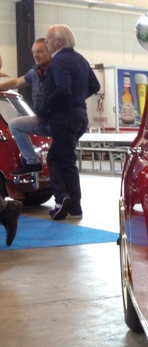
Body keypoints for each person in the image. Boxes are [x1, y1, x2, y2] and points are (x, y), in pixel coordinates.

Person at [19, 25, 99, 221]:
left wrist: (45, 108)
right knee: (60, 158)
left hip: (63, 118)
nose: (46, 41)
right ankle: (71, 203)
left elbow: (63, 89)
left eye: (48, 38)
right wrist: (78, 99)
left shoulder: (59, 61)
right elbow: (95, 85)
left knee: (61, 161)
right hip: (79, 117)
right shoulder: (80, 59)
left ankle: (64, 201)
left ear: (59, 41)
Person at [1, 38, 53, 169]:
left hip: (59, 120)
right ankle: (32, 162)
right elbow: (16, 83)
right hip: (43, 119)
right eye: (34, 52)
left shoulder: (57, 70)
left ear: (50, 52)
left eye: (40, 51)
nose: (36, 55)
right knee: (15, 124)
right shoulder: (35, 72)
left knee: (61, 163)